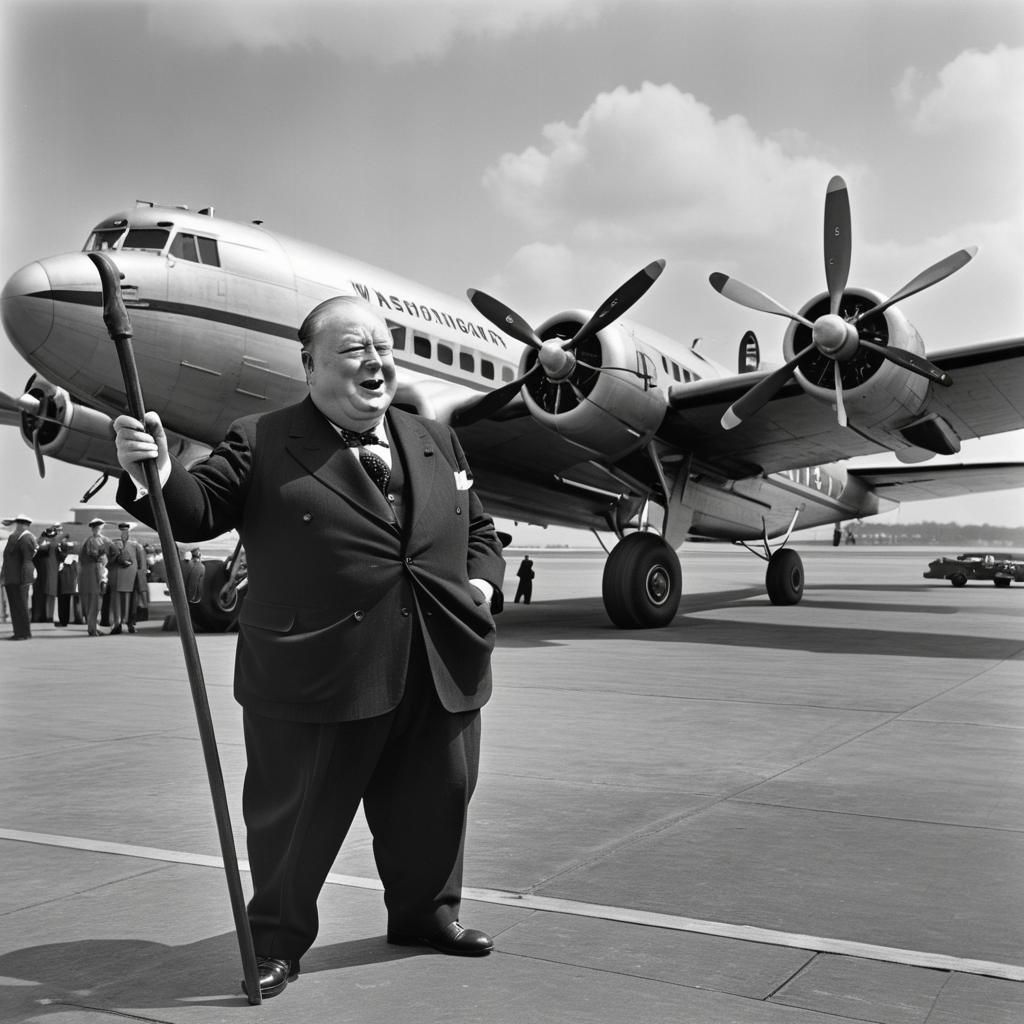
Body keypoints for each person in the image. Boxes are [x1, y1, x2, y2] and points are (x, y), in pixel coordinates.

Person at [113, 294, 506, 1001]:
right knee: (294, 820)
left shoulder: (435, 439)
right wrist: (156, 472)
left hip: (438, 660)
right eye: (355, 348)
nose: (376, 360)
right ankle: (276, 944)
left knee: (438, 798)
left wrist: (482, 584)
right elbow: (198, 510)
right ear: (310, 364)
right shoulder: (263, 438)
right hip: (319, 669)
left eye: (384, 347)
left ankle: (426, 916)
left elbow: (474, 525)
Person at [3, 514, 37, 640]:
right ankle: (19, 632)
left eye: (20, 523)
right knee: (15, 606)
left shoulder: (26, 538)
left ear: (25, 525)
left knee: (21, 605)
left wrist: (25, 579)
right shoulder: (15, 537)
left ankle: (24, 633)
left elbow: (27, 561)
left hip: (20, 578)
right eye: (18, 523)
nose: (18, 525)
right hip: (11, 577)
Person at [108, 522, 146, 634]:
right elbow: (108, 559)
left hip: (132, 577)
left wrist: (141, 577)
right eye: (122, 530)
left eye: (126, 530)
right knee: (116, 601)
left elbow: (141, 563)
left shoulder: (136, 545)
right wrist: (117, 558)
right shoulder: (113, 544)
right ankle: (117, 624)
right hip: (116, 576)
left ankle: (130, 623)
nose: (124, 532)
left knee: (132, 602)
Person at [78, 517, 110, 636]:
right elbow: (97, 556)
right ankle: (92, 628)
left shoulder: (88, 540)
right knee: (94, 601)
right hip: (94, 572)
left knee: (93, 601)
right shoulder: (93, 541)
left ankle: (93, 627)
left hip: (92, 573)